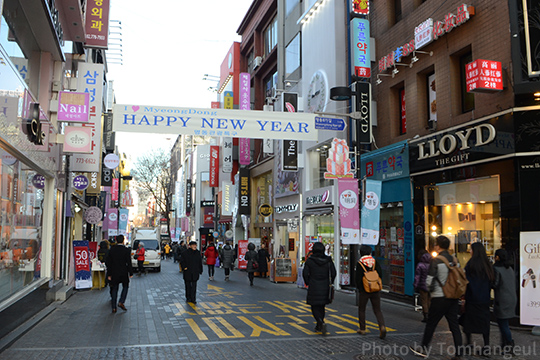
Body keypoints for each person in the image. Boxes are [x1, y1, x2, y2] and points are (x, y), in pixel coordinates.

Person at [410, 235, 463, 359]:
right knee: (454, 326)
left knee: (431, 324)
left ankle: (423, 348)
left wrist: (430, 291)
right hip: (453, 297)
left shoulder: (436, 260)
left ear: (438, 246)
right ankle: (459, 353)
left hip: (439, 297)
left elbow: (429, 281)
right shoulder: (454, 259)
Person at [462, 242, 494, 356]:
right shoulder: (487, 265)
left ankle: (468, 343)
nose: (470, 251)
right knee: (485, 323)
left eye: (471, 250)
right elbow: (492, 281)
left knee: (468, 322)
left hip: (472, 298)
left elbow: (465, 281)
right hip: (484, 298)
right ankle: (486, 346)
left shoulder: (470, 265)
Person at [302, 242, 336, 335]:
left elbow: (305, 273)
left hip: (314, 285)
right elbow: (333, 272)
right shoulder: (328, 260)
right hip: (325, 286)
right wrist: (331, 282)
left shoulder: (310, 261)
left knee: (314, 306)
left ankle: (320, 322)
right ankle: (319, 324)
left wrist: (308, 282)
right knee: (322, 306)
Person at [355, 244, 386, 339]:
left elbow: (358, 278)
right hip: (375, 289)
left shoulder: (360, 263)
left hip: (364, 290)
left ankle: (362, 329)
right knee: (377, 310)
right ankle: (382, 327)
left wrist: (360, 289)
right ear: (369, 252)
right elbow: (380, 274)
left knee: (362, 309)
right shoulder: (374, 262)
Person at [492, 248, 517, 354]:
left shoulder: (497, 269)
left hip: (502, 299)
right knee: (504, 322)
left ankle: (509, 344)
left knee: (503, 323)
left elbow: (495, 284)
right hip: (511, 298)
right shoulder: (509, 269)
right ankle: (504, 345)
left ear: (497, 257)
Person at [105, 235, 133, 313]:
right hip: (124, 272)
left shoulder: (112, 250)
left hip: (114, 272)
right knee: (126, 286)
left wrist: (109, 274)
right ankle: (121, 301)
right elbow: (129, 262)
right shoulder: (126, 250)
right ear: (123, 241)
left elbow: (108, 262)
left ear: (116, 241)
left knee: (114, 289)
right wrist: (130, 272)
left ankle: (114, 307)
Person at [414, 249, 432, 322]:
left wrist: (415, 285)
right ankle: (431, 315)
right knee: (430, 301)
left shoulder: (420, 265)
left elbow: (417, 277)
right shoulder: (432, 264)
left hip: (423, 285)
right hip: (431, 285)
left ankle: (426, 316)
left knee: (424, 301)